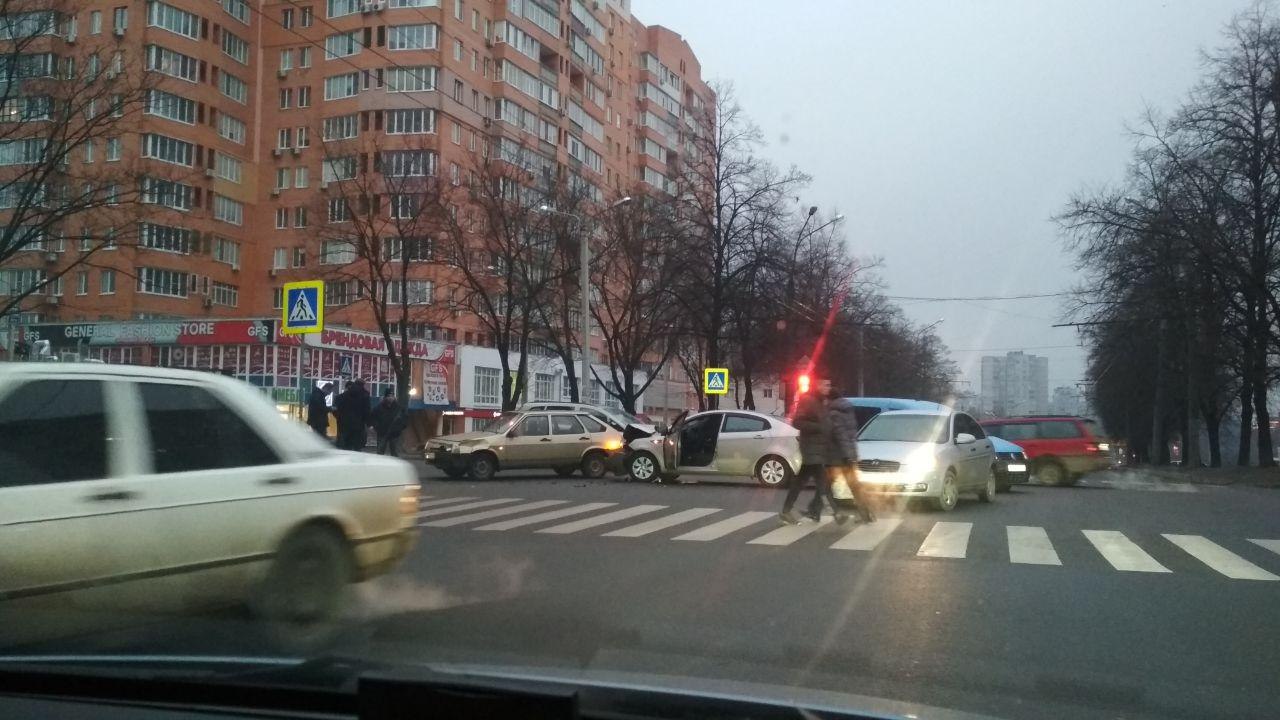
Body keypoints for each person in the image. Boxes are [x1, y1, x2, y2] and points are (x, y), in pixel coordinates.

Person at [780, 374, 843, 525]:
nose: (828, 388)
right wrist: (819, 428)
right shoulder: (808, 400)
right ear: (817, 385)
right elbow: (797, 421)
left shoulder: (822, 402)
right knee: (823, 483)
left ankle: (787, 511)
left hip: (818, 450)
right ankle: (835, 513)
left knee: (799, 483)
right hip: (810, 449)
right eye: (825, 385)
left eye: (829, 385)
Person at [828, 390, 875, 523]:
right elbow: (851, 434)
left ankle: (836, 514)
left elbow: (840, 435)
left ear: (830, 400)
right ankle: (866, 514)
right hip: (849, 453)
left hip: (840, 456)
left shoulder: (834, 414)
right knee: (855, 486)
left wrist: (846, 455)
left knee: (825, 486)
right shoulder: (848, 411)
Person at [334, 379, 372, 451]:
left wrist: (340, 419)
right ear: (363, 385)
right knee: (357, 447)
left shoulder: (344, 395)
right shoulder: (365, 395)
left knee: (346, 446)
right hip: (358, 425)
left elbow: (338, 409)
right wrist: (369, 423)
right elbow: (367, 410)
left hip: (345, 424)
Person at [368, 388, 406, 457]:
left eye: (392, 396)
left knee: (394, 453)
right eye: (389, 396)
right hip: (382, 433)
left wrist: (400, 428)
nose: (391, 398)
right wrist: (376, 426)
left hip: (395, 433)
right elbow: (372, 417)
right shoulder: (379, 408)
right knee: (380, 452)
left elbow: (404, 419)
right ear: (385, 397)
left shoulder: (399, 408)